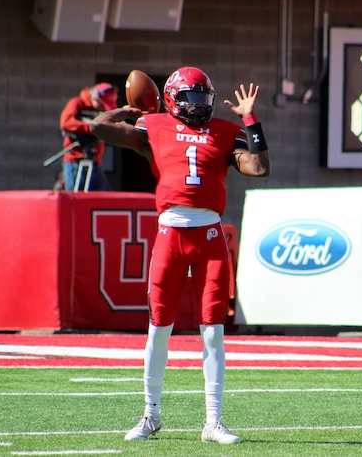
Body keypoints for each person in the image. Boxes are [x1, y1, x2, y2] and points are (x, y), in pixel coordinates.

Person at [90, 67, 270, 443]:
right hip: (170, 235)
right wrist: (130, 111)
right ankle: (150, 415)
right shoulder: (154, 126)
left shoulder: (223, 130)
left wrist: (250, 118)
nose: (199, 105)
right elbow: (98, 128)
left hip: (209, 237)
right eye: (190, 97)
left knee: (213, 332)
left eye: (203, 97)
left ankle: (213, 421)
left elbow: (259, 167)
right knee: (159, 328)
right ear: (173, 99)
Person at [60, 83, 118, 191]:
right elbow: (66, 123)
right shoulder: (77, 103)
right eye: (102, 105)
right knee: (75, 200)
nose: (103, 109)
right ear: (95, 98)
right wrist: (92, 127)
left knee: (100, 201)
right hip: (75, 161)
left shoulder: (101, 111)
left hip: (95, 162)